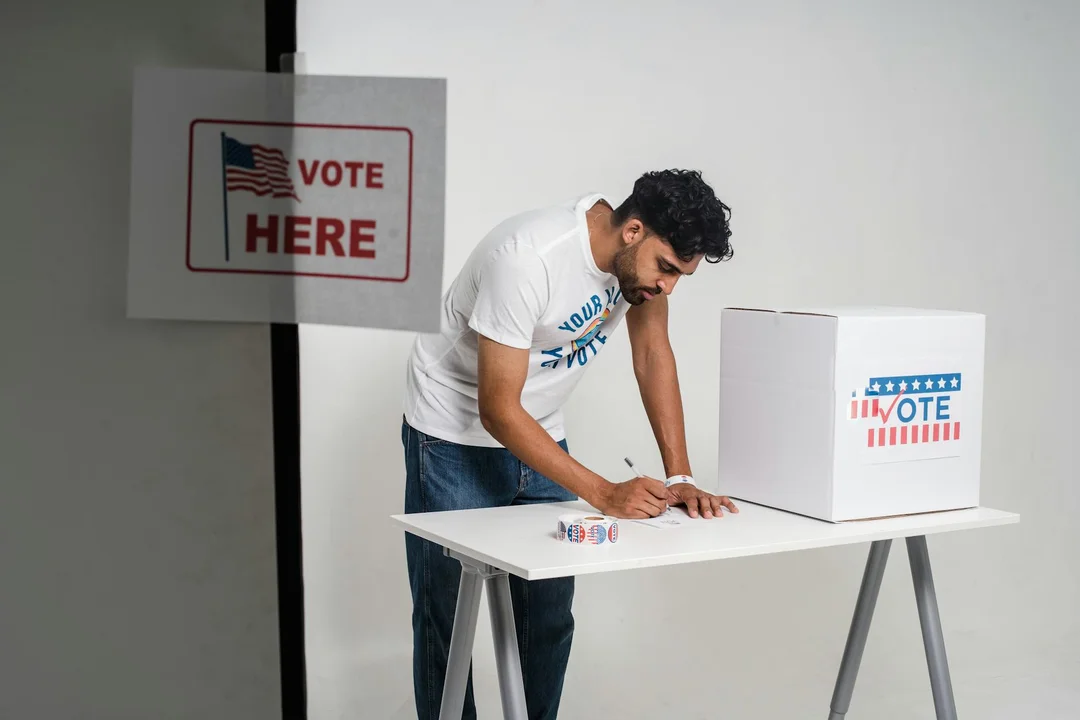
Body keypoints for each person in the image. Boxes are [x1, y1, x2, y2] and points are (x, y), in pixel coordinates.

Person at [401, 169, 738, 719]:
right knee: (446, 615)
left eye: (681, 275)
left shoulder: (640, 273)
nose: (668, 286)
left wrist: (680, 477)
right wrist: (603, 492)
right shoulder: (528, 259)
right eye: (667, 269)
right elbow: (498, 410)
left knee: (548, 615)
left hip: (541, 428)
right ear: (632, 231)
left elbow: (653, 356)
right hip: (452, 430)